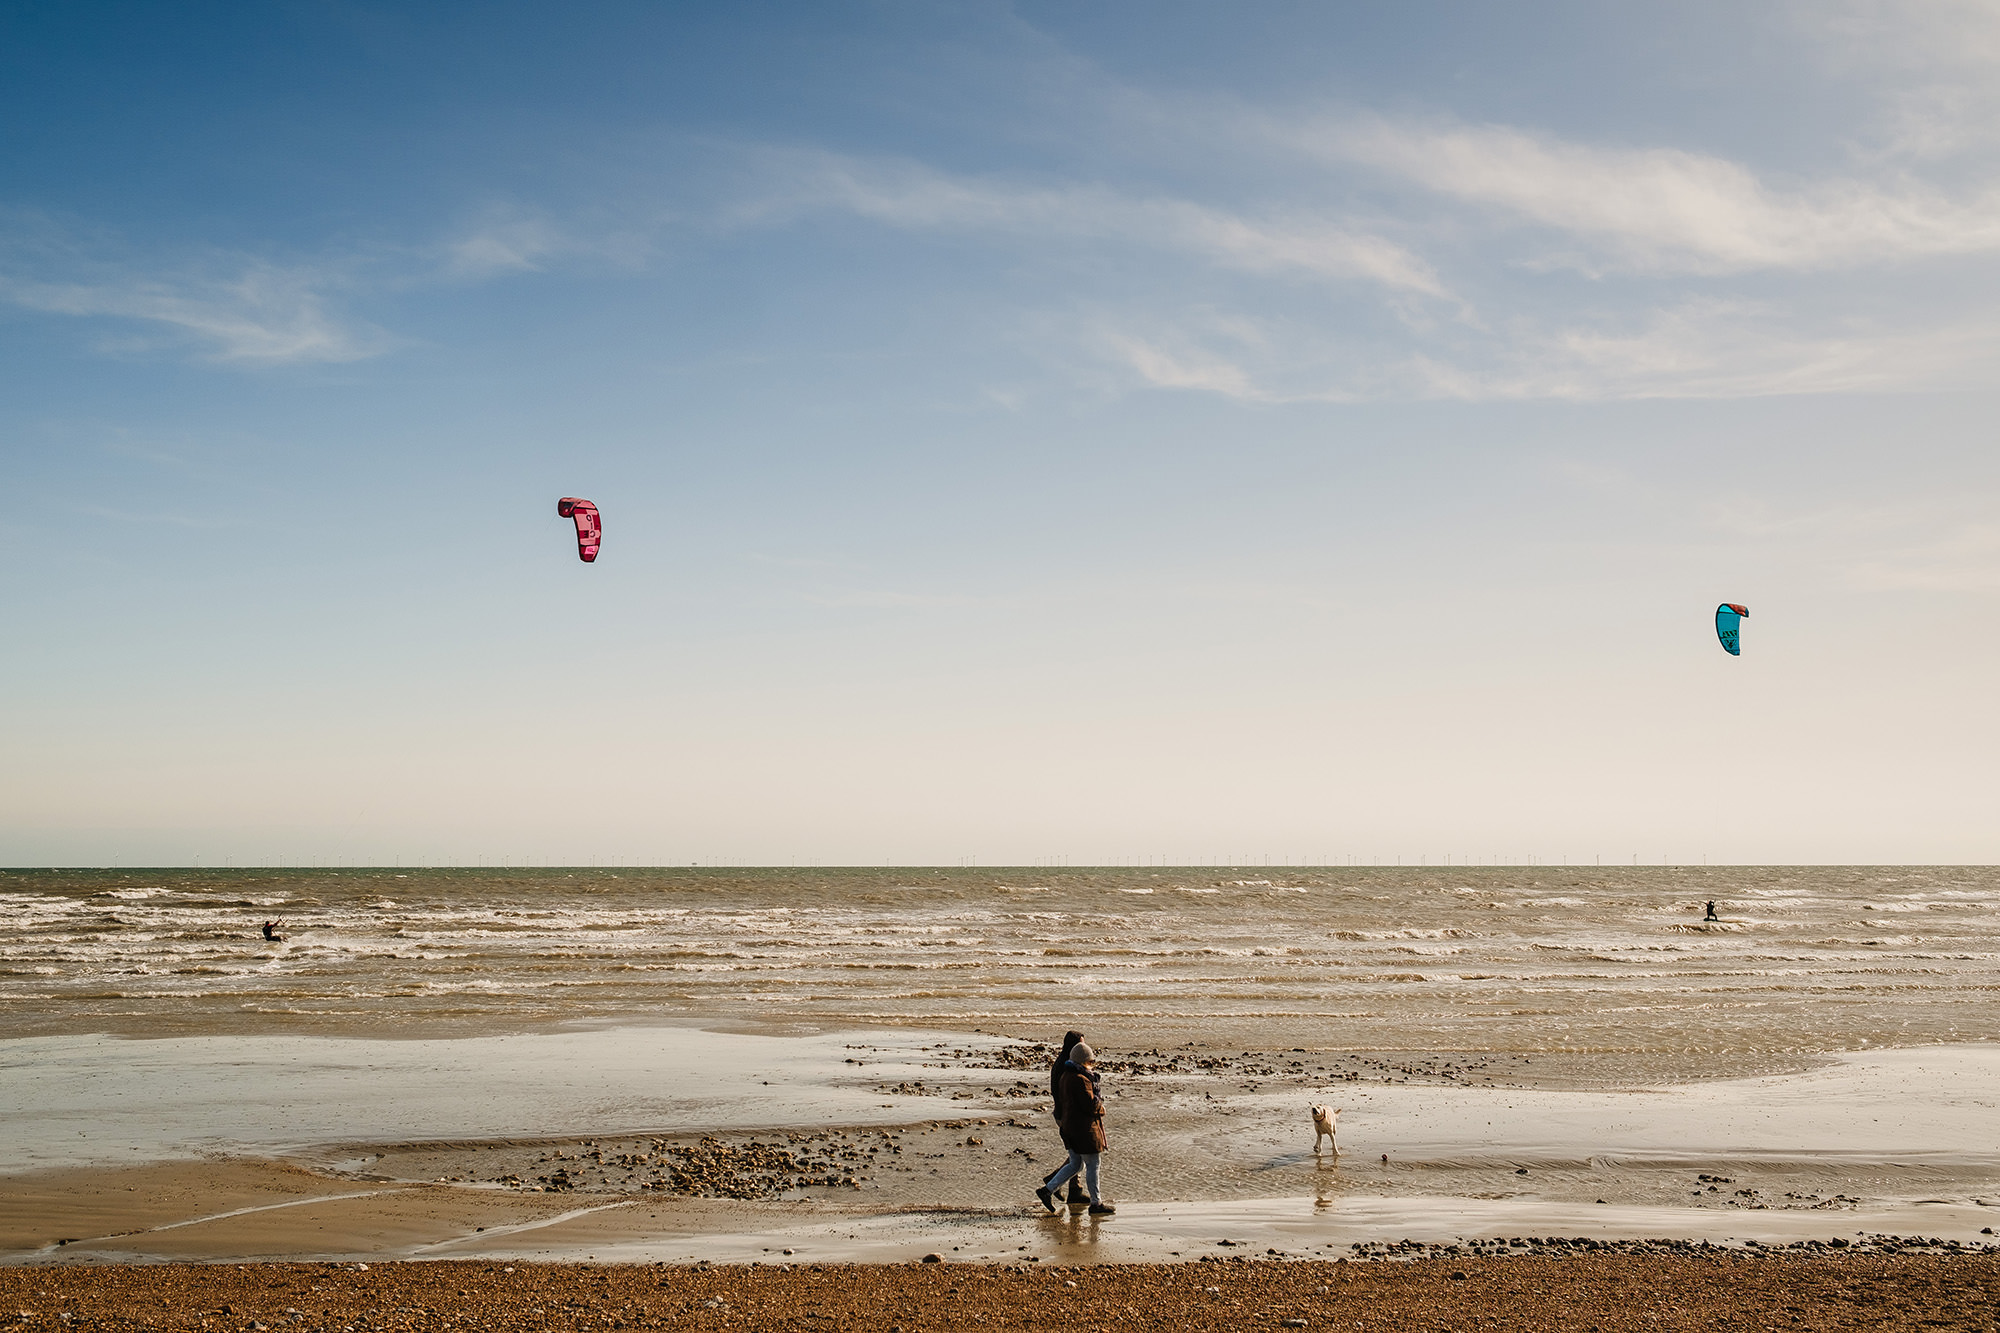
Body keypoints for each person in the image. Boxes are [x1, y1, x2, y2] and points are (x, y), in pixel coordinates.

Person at [1036, 1041, 1113, 1215]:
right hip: (1084, 1130)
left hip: (1070, 1127)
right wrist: (1101, 1107)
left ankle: (1047, 1190)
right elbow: (1090, 1105)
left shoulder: (1066, 1076)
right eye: (1090, 1061)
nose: (1092, 1065)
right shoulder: (1081, 1079)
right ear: (1083, 1061)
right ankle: (1096, 1203)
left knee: (1075, 1165)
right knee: (1093, 1165)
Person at [1042, 1031, 1087, 1205]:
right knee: (1079, 1154)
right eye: (1080, 1044)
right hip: (1067, 1115)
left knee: (1076, 1153)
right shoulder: (1066, 1067)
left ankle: (1075, 1189)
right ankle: (1054, 1180)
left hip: (1064, 1114)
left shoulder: (1064, 1063)